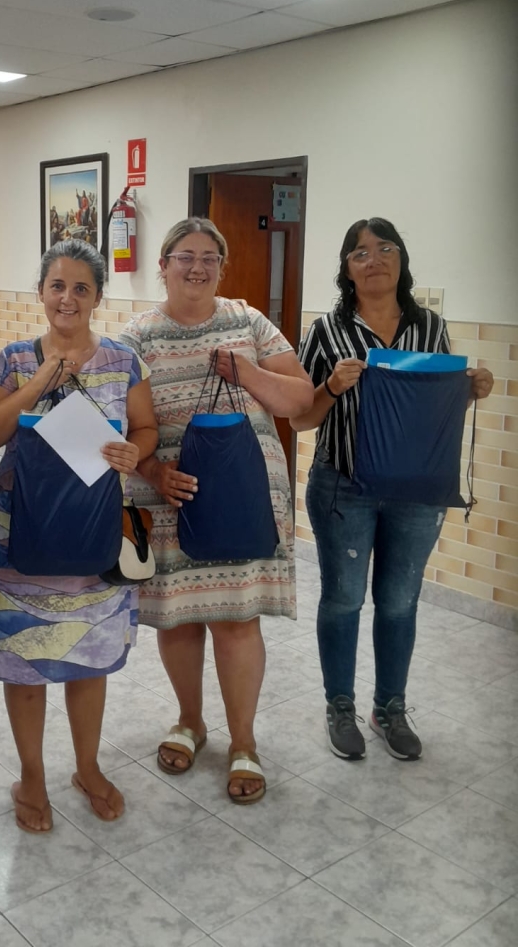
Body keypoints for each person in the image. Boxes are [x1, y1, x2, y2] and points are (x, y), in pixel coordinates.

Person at [122, 218, 313, 803]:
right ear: (163, 265)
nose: (197, 267)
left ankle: (244, 743)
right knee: (180, 618)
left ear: (222, 269)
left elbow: (300, 398)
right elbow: (120, 424)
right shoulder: (136, 336)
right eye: (185, 256)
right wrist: (152, 471)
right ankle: (190, 721)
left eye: (209, 257)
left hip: (244, 498)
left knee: (236, 619)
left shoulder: (248, 322)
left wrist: (245, 370)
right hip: (171, 495)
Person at [0, 239, 158, 832]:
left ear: (98, 297)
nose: (68, 298)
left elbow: (146, 428)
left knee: (88, 659)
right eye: (57, 286)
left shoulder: (124, 361)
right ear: (41, 293)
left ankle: (87, 767)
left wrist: (135, 451)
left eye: (81, 288)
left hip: (93, 535)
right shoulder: (13, 360)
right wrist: (39, 383)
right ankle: (31, 775)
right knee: (24, 662)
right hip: (15, 536)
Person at [291, 218, 494, 762]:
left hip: (416, 491)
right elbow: (300, 419)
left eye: (385, 248)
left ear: (401, 260)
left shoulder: (431, 328)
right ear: (346, 269)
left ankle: (390, 709)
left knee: (400, 603)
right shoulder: (326, 332)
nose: (374, 259)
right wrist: (332, 385)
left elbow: (429, 410)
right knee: (343, 600)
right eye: (360, 252)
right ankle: (340, 706)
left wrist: (470, 392)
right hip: (343, 486)